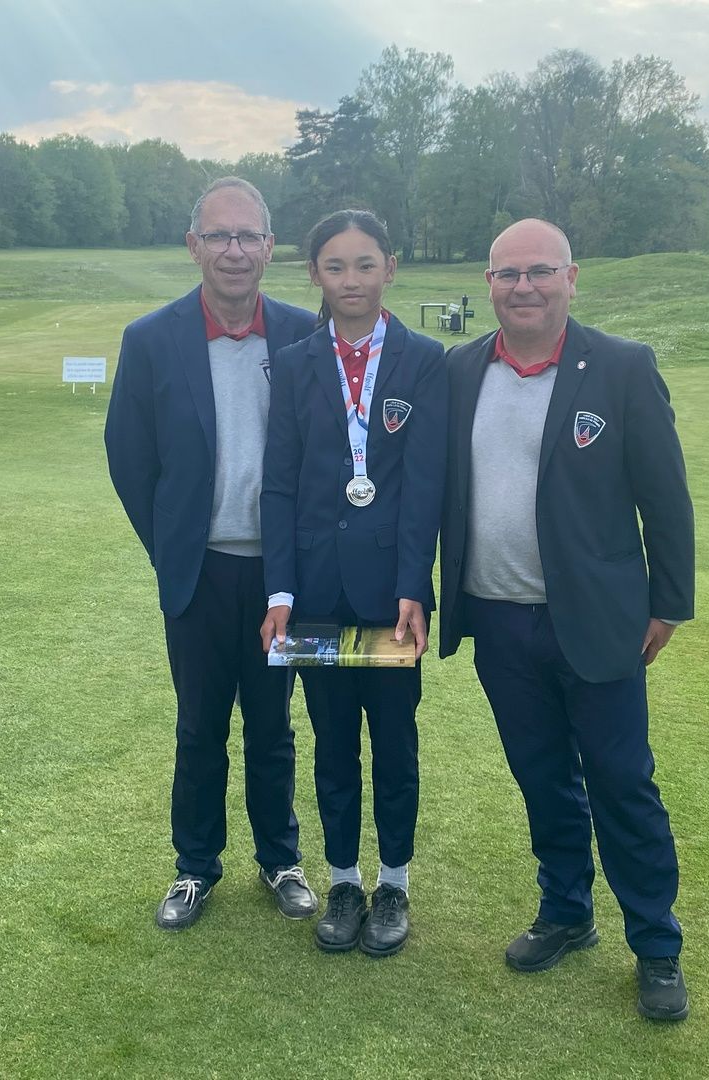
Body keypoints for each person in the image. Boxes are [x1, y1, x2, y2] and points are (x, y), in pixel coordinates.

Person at [438, 218, 696, 1020]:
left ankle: (655, 945)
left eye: (540, 272)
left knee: (622, 782)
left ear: (571, 278)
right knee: (542, 777)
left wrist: (667, 603)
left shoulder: (621, 367)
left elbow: (665, 497)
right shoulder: (459, 369)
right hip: (498, 621)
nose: (524, 287)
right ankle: (566, 911)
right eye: (508, 274)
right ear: (489, 284)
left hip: (597, 622)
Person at [105, 177, 319, 930]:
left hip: (280, 578)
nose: (235, 250)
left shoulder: (304, 333)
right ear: (193, 245)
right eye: (220, 235)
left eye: (249, 235)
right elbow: (130, 459)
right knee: (199, 726)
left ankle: (280, 858)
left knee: (272, 725)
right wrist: (171, 549)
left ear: (270, 247)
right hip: (197, 573)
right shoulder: (151, 339)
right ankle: (195, 866)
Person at [260, 209, 447, 957]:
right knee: (333, 744)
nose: (351, 280)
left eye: (365, 264)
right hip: (315, 593)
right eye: (335, 266)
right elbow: (279, 485)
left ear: (390, 269)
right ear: (314, 274)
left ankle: (393, 884)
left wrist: (415, 585)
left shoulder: (424, 359)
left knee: (395, 745)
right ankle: (343, 881)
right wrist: (279, 592)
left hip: (390, 597)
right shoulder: (296, 361)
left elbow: (425, 486)